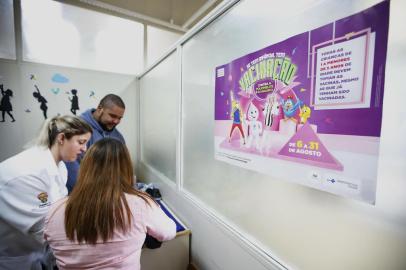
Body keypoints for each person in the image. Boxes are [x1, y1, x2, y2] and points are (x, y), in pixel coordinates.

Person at [44, 138, 176, 269]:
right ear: (126, 169)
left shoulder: (55, 210)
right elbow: (168, 232)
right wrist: (151, 204)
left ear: (85, 168)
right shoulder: (140, 205)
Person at [0, 115, 92, 269]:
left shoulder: (60, 167)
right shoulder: (29, 173)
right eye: (81, 142)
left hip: (36, 253)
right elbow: (44, 229)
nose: (85, 149)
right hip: (12, 258)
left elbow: (58, 211)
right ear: (61, 138)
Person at [65, 94, 125, 193]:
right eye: (112, 116)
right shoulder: (77, 129)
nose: (116, 121)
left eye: (120, 118)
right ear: (99, 109)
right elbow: (72, 170)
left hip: (109, 194)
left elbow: (122, 167)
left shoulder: (118, 137)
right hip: (84, 195)